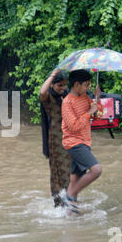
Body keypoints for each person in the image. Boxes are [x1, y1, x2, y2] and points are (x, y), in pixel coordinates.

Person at [61, 69, 102, 214]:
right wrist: (89, 113)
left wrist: (97, 100)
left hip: (85, 142)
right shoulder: (67, 102)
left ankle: (70, 213)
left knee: (76, 177)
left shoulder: (85, 97)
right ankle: (69, 195)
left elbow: (97, 116)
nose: (88, 88)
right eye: (86, 85)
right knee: (96, 170)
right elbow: (73, 126)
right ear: (76, 84)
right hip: (74, 142)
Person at [40, 69, 70, 207]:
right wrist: (52, 75)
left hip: (70, 139)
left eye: (64, 85)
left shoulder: (67, 95)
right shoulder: (49, 98)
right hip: (56, 141)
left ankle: (69, 199)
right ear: (52, 84)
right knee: (57, 172)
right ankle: (59, 202)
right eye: (59, 86)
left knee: (69, 171)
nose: (62, 88)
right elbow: (42, 92)